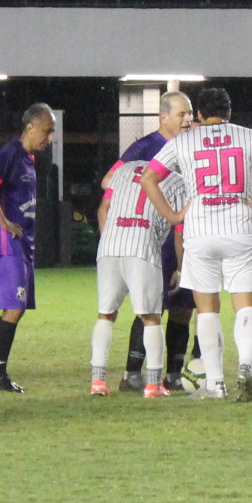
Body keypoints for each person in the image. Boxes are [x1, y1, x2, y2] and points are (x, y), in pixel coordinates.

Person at [139, 86, 252, 401]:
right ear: (229, 112)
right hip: (239, 229)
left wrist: (172, 216)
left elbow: (148, 178)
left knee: (206, 308)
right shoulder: (246, 136)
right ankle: (245, 367)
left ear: (199, 114)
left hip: (200, 231)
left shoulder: (183, 141)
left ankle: (216, 384)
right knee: (246, 304)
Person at [112, 91, 193, 390]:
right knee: (153, 306)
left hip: (187, 238)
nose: (188, 119)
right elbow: (110, 181)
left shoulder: (191, 146)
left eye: (190, 113)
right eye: (182, 114)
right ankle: (132, 373)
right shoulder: (145, 147)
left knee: (184, 307)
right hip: (156, 240)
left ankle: (174, 375)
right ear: (163, 117)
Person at [0, 104, 56, 393]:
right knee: (14, 306)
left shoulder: (28, 159)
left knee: (17, 308)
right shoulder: (11, 152)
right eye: (47, 131)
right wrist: (2, 219)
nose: (49, 138)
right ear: (30, 127)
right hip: (6, 242)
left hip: (23, 243)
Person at [90, 141, 169, 398]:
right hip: (142, 246)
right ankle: (153, 384)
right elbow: (175, 221)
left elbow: (103, 207)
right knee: (151, 316)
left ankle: (98, 382)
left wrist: (109, 237)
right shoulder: (173, 177)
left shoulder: (122, 171)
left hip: (110, 245)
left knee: (105, 313)